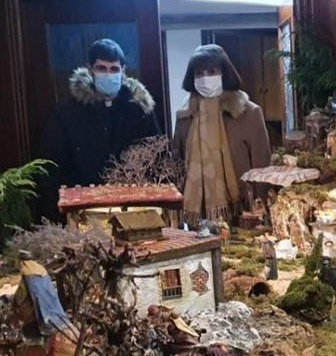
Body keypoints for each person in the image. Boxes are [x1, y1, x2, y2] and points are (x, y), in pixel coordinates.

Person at [37, 39, 161, 221]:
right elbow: (52, 165)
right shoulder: (68, 114)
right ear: (90, 70)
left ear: (123, 71)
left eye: (114, 69)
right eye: (101, 68)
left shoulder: (140, 112)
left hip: (133, 208)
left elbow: (157, 160)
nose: (108, 74)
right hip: (84, 211)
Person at [172, 45, 271, 224]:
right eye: (199, 73)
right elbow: (176, 164)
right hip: (197, 212)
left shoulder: (248, 113)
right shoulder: (185, 116)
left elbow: (262, 166)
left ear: (224, 73)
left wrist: (260, 206)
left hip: (242, 209)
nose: (205, 78)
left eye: (212, 72)